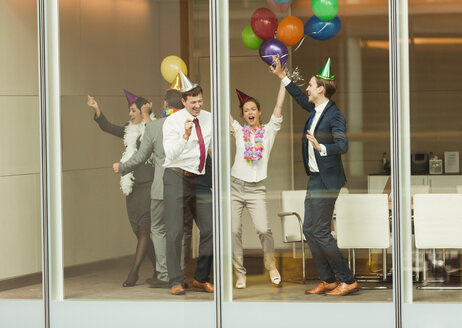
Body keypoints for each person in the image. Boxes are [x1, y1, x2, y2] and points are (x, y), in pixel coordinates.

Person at [271, 57, 358, 296]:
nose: (307, 88)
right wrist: (282, 77)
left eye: (310, 85)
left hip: (328, 180)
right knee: (309, 229)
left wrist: (322, 148)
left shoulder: (334, 115)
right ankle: (328, 279)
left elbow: (343, 144)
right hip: (315, 178)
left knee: (319, 230)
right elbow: (299, 97)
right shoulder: (315, 109)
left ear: (321, 89)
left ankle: (347, 279)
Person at [112, 88, 184, 288]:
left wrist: (123, 167)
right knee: (166, 231)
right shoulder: (185, 124)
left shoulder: (155, 127)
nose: (130, 113)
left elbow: (145, 153)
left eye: (134, 110)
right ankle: (170, 273)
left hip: (156, 185)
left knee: (154, 229)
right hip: (161, 186)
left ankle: (154, 274)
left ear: (165, 105)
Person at [87, 90, 157, 287]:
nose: (130, 114)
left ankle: (134, 272)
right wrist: (97, 108)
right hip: (132, 185)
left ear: (142, 111)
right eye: (130, 111)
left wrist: (146, 115)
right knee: (138, 230)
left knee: (144, 229)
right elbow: (108, 127)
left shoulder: (151, 127)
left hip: (147, 185)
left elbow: (153, 140)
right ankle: (159, 268)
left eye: (133, 110)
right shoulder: (128, 129)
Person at [229, 82, 286, 289]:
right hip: (235, 186)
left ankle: (271, 267)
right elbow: (222, 111)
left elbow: (278, 108)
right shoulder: (238, 130)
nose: (250, 112)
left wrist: (282, 82)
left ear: (259, 112)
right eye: (246, 110)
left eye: (253, 109)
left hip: (257, 188)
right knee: (234, 231)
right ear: (243, 115)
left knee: (263, 229)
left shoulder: (269, 130)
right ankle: (240, 274)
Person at [162, 73, 213, 295]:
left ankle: (201, 278)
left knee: (211, 229)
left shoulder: (210, 118)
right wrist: (185, 136)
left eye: (200, 101)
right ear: (183, 101)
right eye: (193, 102)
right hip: (176, 176)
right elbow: (170, 154)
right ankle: (175, 279)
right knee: (174, 232)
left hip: (200, 178)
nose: (197, 106)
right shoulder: (172, 122)